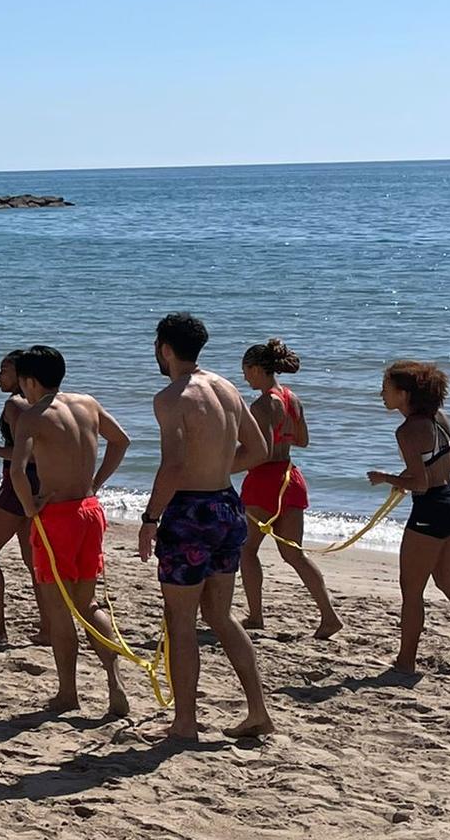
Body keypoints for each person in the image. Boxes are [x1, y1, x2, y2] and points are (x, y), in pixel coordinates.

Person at [139, 313, 274, 739]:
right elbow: (259, 449)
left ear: (165, 348)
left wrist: (149, 518)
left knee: (180, 620)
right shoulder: (228, 388)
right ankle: (257, 711)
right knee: (220, 614)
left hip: (189, 514)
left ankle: (185, 722)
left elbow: (174, 466)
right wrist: (216, 468)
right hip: (226, 506)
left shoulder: (171, 397)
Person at [11, 345, 132, 717]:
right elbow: (122, 440)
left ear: (30, 381)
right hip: (90, 511)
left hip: (58, 517)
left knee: (59, 609)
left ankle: (68, 692)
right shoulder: (87, 403)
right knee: (88, 604)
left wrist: (30, 507)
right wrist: (94, 482)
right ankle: (115, 683)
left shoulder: (34, 415)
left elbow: (18, 470)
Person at [368, 361, 450, 674]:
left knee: (411, 590)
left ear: (403, 394)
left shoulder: (407, 430)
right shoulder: (440, 418)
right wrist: (410, 475)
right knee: (449, 582)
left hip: (431, 509)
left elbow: (421, 483)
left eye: (385, 389)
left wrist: (387, 478)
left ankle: (405, 661)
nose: (380, 395)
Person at [239, 338, 341, 637]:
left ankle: (256, 616)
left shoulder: (262, 404)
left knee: (247, 550)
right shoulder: (291, 398)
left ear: (257, 369)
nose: (244, 377)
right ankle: (328, 614)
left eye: (246, 371)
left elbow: (262, 450)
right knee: (294, 554)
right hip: (291, 478)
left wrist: (226, 460)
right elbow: (303, 440)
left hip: (265, 481)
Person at [0, 351, 41, 644]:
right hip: (39, 485)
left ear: (21, 376)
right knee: (33, 560)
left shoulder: (15, 404)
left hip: (17, 486)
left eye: (4, 370)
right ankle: (49, 628)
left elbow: (29, 455)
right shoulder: (42, 404)